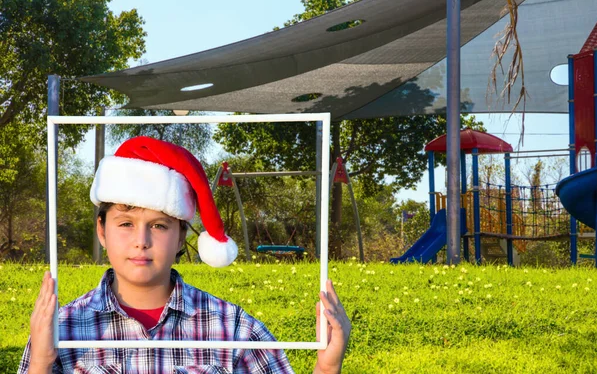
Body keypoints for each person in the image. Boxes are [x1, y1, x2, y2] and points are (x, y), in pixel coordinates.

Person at [18, 136, 351, 374]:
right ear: (102, 231)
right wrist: (40, 364)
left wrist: (327, 364)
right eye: (126, 224)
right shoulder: (61, 329)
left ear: (182, 237)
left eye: (159, 226)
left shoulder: (234, 329)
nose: (141, 241)